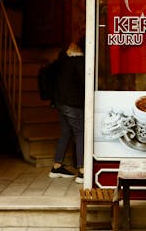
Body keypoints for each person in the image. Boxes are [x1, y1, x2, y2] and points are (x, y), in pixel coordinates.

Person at [49, 40, 85, 184]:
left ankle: (56, 167)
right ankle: (82, 171)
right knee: (80, 133)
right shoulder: (80, 61)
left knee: (66, 132)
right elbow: (85, 82)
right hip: (73, 104)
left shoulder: (63, 62)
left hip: (60, 103)